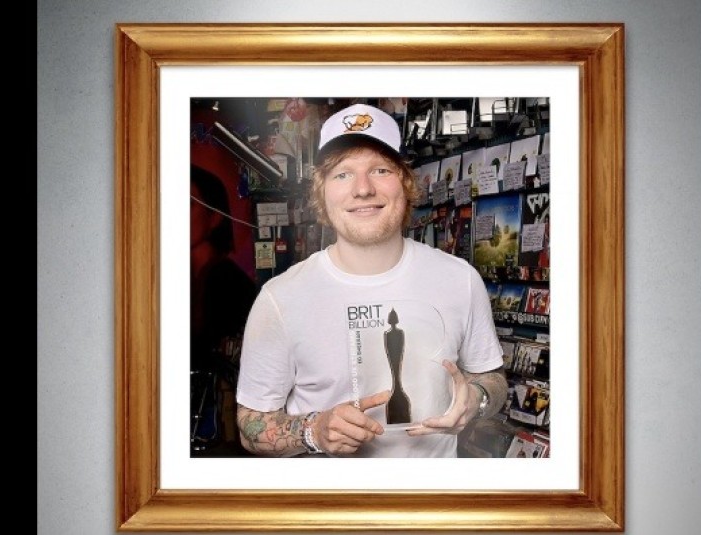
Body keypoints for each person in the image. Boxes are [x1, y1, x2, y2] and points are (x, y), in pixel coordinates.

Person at [236, 103, 506, 457]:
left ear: (405, 183)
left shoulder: (460, 279)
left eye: (380, 170)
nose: (362, 189)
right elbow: (250, 426)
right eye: (342, 174)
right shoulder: (281, 298)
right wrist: (313, 431)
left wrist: (477, 399)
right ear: (322, 192)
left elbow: (493, 379)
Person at [190, 164, 258, 454]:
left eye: (189, 205)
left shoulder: (226, 280)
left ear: (215, 217)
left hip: (216, 416)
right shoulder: (186, 275)